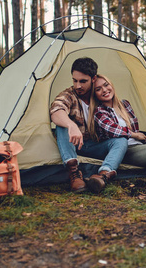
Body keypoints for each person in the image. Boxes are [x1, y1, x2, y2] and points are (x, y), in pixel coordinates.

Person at [50, 58, 128, 193]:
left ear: (93, 78)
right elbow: (56, 110)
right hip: (73, 144)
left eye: (83, 81)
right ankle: (74, 174)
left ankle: (103, 175)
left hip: (94, 145)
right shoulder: (69, 95)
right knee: (62, 125)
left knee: (121, 140)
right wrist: (71, 125)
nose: (78, 85)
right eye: (75, 80)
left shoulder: (99, 94)